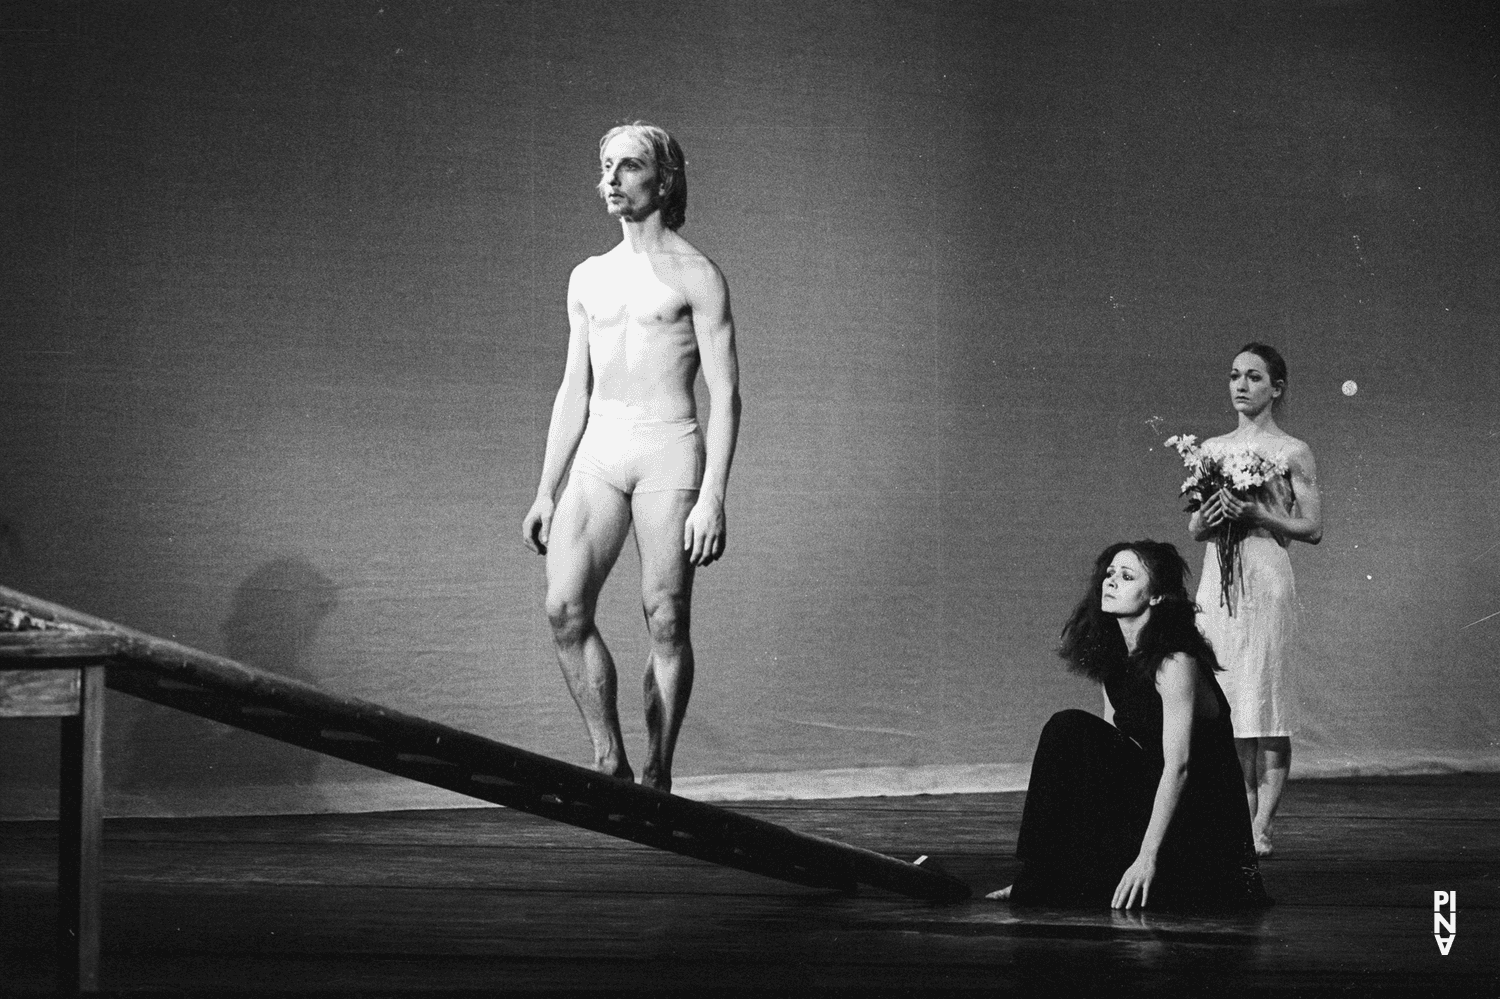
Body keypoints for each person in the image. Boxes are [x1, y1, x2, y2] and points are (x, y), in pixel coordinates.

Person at [521, 122, 741, 793]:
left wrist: (712, 495)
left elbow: (727, 396)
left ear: (663, 178)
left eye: (629, 166)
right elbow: (573, 388)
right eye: (605, 165)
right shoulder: (587, 277)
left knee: (665, 614)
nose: (612, 179)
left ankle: (657, 771)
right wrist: (545, 487)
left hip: (668, 447)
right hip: (602, 449)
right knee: (563, 606)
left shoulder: (697, 276)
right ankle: (606, 754)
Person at [988, 541, 1270, 910]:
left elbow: (1180, 768)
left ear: (1155, 596)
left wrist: (1146, 857)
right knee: (1068, 728)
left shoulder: (1175, 661)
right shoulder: (1115, 661)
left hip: (1197, 818)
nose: (1111, 582)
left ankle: (1078, 875)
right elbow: (1111, 749)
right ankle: (1037, 874)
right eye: (1109, 574)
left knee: (1070, 730)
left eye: (1127, 576)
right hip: (1153, 798)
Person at [1190, 343, 1322, 857]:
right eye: (1234, 376)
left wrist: (1259, 514)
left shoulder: (1293, 450)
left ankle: (1260, 826)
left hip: (1265, 580)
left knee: (1264, 702)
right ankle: (1232, 819)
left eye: (1253, 377)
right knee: (1225, 703)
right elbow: (1195, 526)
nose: (1240, 386)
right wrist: (1211, 516)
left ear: (1277, 388)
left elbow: (1311, 527)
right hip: (1217, 586)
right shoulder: (1212, 448)